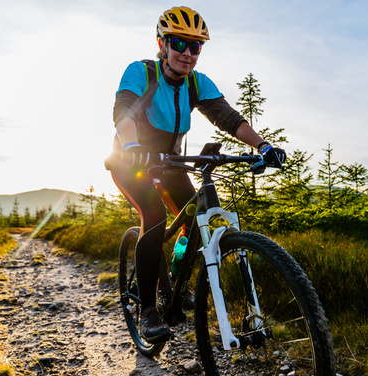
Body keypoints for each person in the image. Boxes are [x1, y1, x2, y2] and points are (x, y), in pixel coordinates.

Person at [106, 6, 286, 343]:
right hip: (130, 161)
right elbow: (125, 111)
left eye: (196, 46)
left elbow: (228, 118)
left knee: (194, 215)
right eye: (179, 43)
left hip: (170, 162)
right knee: (155, 217)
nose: (187, 54)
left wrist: (263, 146)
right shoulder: (142, 73)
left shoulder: (196, 84)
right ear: (162, 43)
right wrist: (131, 145)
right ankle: (148, 310)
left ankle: (175, 273)